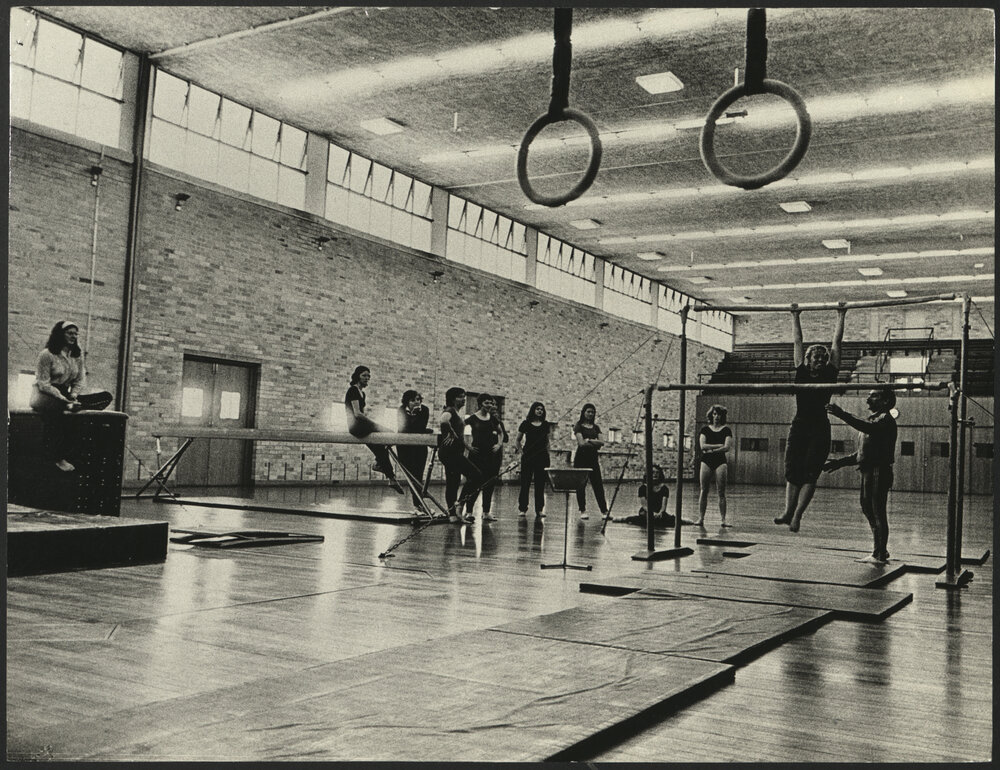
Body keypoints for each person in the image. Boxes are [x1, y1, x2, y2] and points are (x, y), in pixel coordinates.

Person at [774, 303, 847, 532]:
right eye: (815, 358)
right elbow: (797, 342)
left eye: (821, 358)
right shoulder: (801, 371)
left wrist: (841, 315)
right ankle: (788, 511)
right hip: (800, 424)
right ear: (807, 359)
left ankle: (797, 515)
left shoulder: (830, 373)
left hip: (819, 427)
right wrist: (795, 316)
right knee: (792, 470)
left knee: (810, 472)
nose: (818, 361)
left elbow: (837, 344)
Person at [823, 390, 899, 563]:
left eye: (874, 396)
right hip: (868, 471)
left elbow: (866, 428)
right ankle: (879, 550)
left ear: (885, 401)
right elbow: (862, 453)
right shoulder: (873, 420)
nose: (868, 398)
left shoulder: (885, 420)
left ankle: (879, 553)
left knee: (878, 512)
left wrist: (842, 414)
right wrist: (839, 462)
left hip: (878, 471)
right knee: (868, 509)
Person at [30, 320, 112, 472]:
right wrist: (63, 399)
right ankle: (57, 457)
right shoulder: (47, 354)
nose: (74, 336)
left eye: (76, 334)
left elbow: (80, 379)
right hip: (43, 394)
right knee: (58, 409)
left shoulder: (77, 356)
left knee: (106, 396)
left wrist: (73, 395)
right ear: (60, 334)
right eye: (70, 333)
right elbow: (43, 383)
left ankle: (74, 405)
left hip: (66, 393)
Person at [344, 366, 403, 494]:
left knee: (381, 448)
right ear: (357, 376)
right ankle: (380, 465)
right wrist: (375, 424)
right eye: (364, 375)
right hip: (355, 426)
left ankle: (390, 477)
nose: (367, 378)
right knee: (389, 434)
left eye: (368, 376)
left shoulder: (362, 393)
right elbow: (358, 414)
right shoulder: (352, 390)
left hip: (362, 425)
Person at [437, 386, 483, 524]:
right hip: (449, 453)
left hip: (455, 452)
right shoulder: (450, 410)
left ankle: (455, 511)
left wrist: (467, 446)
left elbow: (460, 435)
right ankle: (456, 508)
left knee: (454, 482)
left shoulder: (457, 412)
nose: (463, 399)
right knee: (476, 476)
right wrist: (450, 431)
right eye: (460, 396)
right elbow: (444, 420)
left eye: (464, 396)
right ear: (452, 399)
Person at [465, 393, 508, 522]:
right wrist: (468, 446)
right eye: (486, 403)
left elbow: (501, 433)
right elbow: (459, 430)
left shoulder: (493, 419)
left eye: (491, 403)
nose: (489, 405)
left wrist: (499, 444)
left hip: (491, 455)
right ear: (480, 404)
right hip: (477, 454)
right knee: (473, 483)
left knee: (489, 483)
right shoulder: (472, 418)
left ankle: (486, 512)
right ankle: (468, 511)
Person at [613, 464, 690, 527]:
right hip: (647, 511)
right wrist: (652, 513)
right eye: (653, 472)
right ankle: (625, 519)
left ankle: (681, 521)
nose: (655, 474)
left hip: (659, 512)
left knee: (667, 520)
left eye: (657, 473)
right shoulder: (643, 488)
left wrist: (660, 512)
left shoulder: (664, 488)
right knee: (644, 520)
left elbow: (664, 505)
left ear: (660, 474)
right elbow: (644, 505)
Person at [396, 389, 432, 514]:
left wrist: (424, 429)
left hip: (419, 447)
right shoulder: (401, 410)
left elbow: (419, 427)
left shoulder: (425, 410)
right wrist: (413, 416)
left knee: (418, 476)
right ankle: (418, 505)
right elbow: (404, 428)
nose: (416, 402)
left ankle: (419, 505)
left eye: (418, 399)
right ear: (407, 402)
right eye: (413, 400)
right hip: (404, 447)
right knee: (411, 476)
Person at [697, 404, 733, 527]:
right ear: (711, 415)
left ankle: (723, 520)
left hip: (720, 461)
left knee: (721, 491)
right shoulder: (705, 429)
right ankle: (701, 518)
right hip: (706, 460)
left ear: (722, 416)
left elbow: (727, 447)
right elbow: (703, 446)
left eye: (719, 414)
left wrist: (712, 449)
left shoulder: (726, 430)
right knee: (704, 490)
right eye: (714, 414)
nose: (717, 417)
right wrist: (718, 445)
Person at [573, 403, 609, 520]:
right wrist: (594, 442)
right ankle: (582, 510)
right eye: (588, 411)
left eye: (592, 412)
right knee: (581, 485)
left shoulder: (596, 427)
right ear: (584, 412)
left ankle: (604, 511)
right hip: (581, 458)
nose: (590, 414)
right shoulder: (578, 426)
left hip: (593, 458)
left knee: (598, 484)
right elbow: (581, 443)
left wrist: (589, 440)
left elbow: (602, 442)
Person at [516, 402, 550, 519]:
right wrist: (521, 452)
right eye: (537, 409)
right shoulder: (525, 424)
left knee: (540, 484)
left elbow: (547, 441)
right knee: (525, 483)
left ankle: (539, 509)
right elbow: (518, 440)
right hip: (528, 457)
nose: (540, 411)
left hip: (542, 457)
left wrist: (547, 454)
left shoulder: (545, 425)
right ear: (533, 410)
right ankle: (522, 508)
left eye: (541, 409)